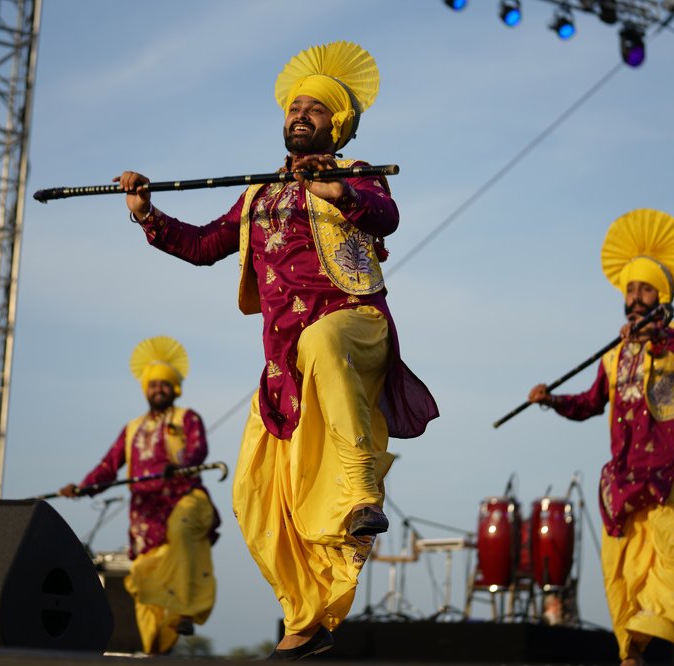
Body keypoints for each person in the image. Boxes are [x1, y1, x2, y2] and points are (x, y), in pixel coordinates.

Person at [115, 41, 438, 660]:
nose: (300, 114)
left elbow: (386, 215)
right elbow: (205, 244)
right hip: (284, 365)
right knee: (255, 495)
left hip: (354, 326)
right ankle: (303, 619)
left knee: (322, 340)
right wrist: (147, 214)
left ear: (337, 125)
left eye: (315, 109)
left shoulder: (355, 173)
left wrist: (338, 192)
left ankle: (361, 492)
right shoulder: (259, 193)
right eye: (294, 107)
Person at [526, 209, 674, 666]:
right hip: (626, 480)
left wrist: (656, 334)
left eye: (644, 289)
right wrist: (552, 400)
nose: (635, 297)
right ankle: (631, 654)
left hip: (672, 476)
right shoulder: (615, 354)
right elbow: (590, 403)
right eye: (630, 289)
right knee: (625, 573)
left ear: (661, 295)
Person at [59, 336, 220, 655]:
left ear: (174, 388)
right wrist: (83, 487)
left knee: (182, 532)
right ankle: (156, 650)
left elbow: (198, 449)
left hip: (184, 499)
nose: (158, 389)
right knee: (145, 580)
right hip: (146, 515)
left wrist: (180, 466)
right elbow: (109, 465)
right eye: (153, 385)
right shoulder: (132, 429)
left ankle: (184, 611)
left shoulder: (186, 418)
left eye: (164, 384)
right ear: (146, 389)